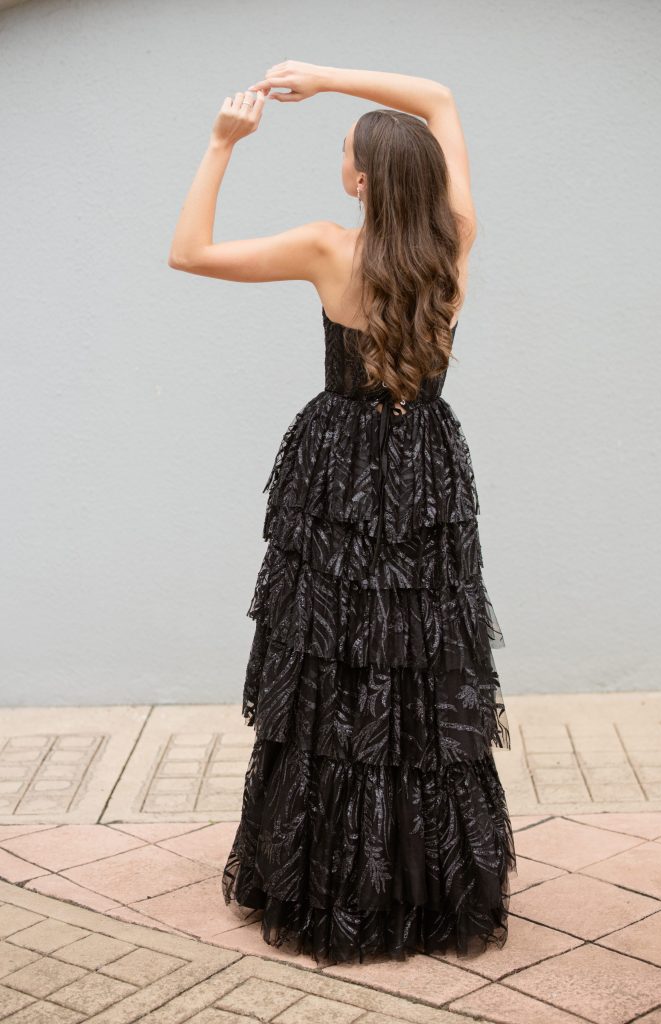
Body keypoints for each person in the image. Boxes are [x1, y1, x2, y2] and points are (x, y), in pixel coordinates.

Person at [168, 60, 517, 966]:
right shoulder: (457, 236)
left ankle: (330, 875)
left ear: (362, 181)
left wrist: (222, 143)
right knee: (419, 666)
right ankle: (422, 883)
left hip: (338, 470)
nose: (340, 161)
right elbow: (439, 97)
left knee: (331, 664)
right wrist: (325, 77)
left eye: (344, 153)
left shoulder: (327, 248)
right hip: (426, 466)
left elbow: (188, 252)